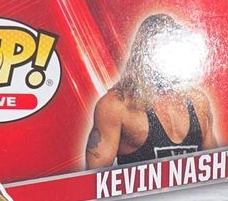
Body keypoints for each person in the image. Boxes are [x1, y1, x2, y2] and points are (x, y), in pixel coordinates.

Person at [85, 14, 218, 167]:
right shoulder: (116, 105)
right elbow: (94, 176)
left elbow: (216, 167)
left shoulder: (199, 102)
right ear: (145, 54)